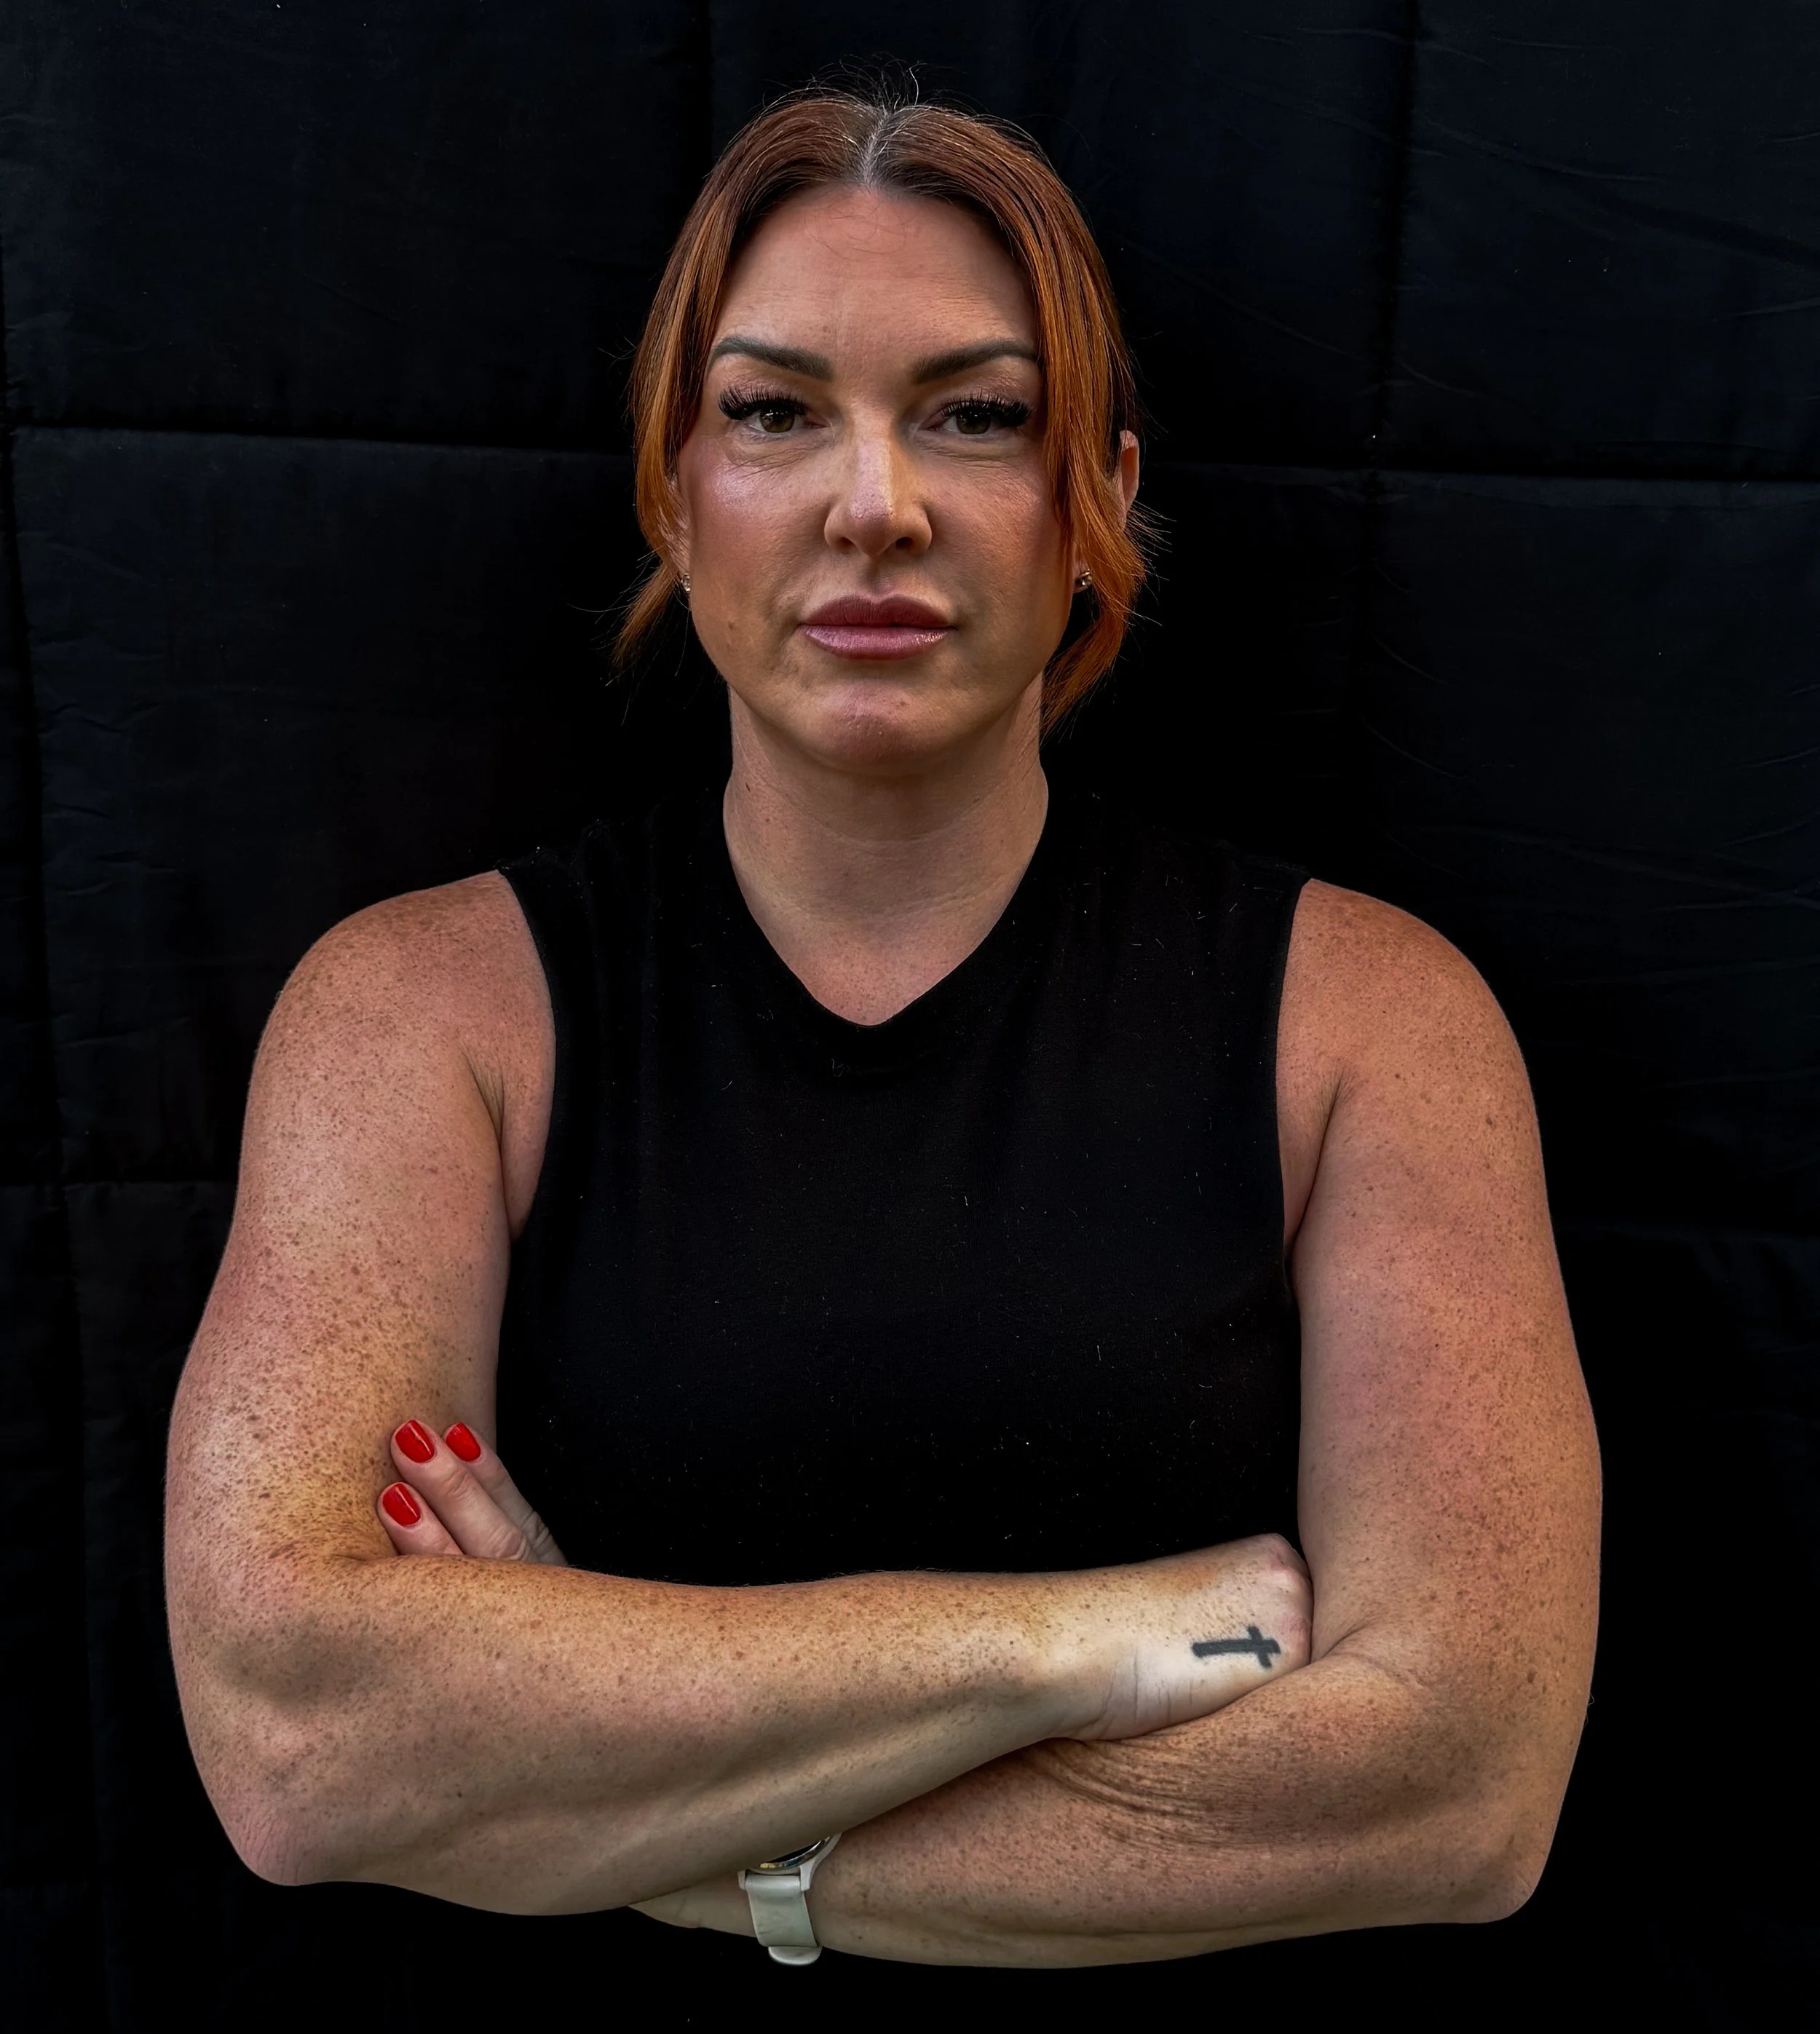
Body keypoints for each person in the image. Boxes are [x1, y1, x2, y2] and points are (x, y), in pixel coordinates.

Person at [165, 88, 1599, 1987]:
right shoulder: (424, 1017)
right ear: (671, 490)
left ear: (1096, 496)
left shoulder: (1369, 1025)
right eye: (772, 413)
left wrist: (657, 1815)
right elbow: (300, 1742)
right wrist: (1078, 1641)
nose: (874, 504)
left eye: (975, 415)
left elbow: (1458, 1789)